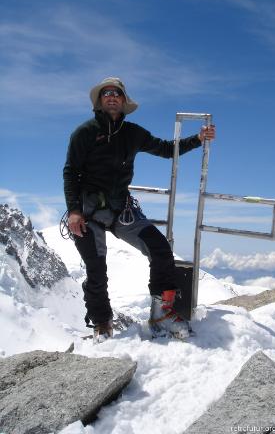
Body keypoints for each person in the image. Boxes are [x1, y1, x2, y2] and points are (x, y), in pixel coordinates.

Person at [63, 77, 215, 342]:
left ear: (123, 101)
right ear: (100, 101)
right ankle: (102, 325)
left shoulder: (133, 134)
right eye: (106, 93)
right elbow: (70, 172)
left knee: (160, 249)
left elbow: (167, 149)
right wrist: (74, 211)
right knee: (96, 269)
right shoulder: (84, 133)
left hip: (122, 210)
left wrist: (198, 139)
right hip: (89, 213)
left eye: (117, 94)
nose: (112, 97)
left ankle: (161, 313)